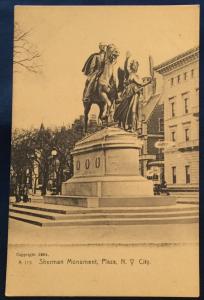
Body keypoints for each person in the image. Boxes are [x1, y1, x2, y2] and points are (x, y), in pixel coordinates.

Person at [114, 52, 150, 133]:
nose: (135, 66)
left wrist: (148, 82)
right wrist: (126, 59)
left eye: (136, 65)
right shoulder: (129, 74)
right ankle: (125, 124)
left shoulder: (137, 76)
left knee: (133, 110)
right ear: (131, 66)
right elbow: (125, 68)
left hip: (134, 94)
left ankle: (132, 127)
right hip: (127, 94)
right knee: (123, 109)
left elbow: (141, 84)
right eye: (134, 65)